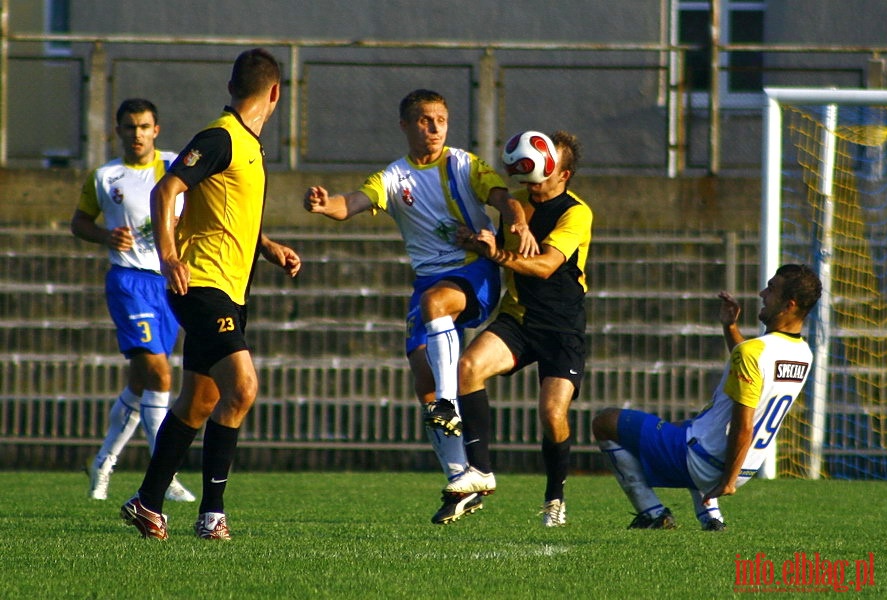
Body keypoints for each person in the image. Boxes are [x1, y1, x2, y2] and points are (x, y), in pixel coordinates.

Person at [303, 89, 539, 524]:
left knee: (436, 321)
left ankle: (451, 402)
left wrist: (518, 220)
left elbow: (504, 198)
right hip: (429, 279)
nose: (434, 129)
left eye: (441, 120)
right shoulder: (394, 177)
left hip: (473, 270)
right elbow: (352, 203)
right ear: (406, 126)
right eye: (425, 121)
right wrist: (324, 206)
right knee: (422, 380)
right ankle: (461, 479)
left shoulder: (463, 164)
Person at [119, 48, 301, 541]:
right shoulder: (221, 138)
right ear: (277, 93)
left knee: (199, 402)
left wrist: (266, 247)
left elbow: (223, 210)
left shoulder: (246, 144)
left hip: (230, 289)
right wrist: (168, 255)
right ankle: (212, 513)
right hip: (201, 284)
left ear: (231, 86)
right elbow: (166, 190)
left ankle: (147, 503)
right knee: (243, 387)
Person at [591, 264, 822, 530]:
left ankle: (652, 513)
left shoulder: (753, 351)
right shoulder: (803, 353)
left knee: (605, 422)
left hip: (709, 464)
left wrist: (727, 481)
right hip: (747, 466)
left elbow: (743, 425)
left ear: (788, 305)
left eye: (771, 289)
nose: (762, 293)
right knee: (686, 427)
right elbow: (750, 363)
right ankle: (711, 518)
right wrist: (730, 326)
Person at [445, 131, 592, 527]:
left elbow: (545, 266)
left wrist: (496, 253)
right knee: (468, 367)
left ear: (564, 174)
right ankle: (480, 472)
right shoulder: (516, 206)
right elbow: (498, 244)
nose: (536, 175)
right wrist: (479, 244)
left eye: (548, 168)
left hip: (562, 328)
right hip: (520, 317)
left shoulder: (576, 212)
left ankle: (554, 498)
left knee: (551, 413)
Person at [71, 98, 194, 504]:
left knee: (141, 383)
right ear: (118, 131)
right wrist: (105, 236)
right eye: (129, 127)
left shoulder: (176, 167)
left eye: (144, 127)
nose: (137, 134)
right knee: (160, 374)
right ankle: (165, 471)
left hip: (169, 282)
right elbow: (79, 222)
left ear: (155, 130)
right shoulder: (105, 177)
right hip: (128, 281)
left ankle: (104, 461)